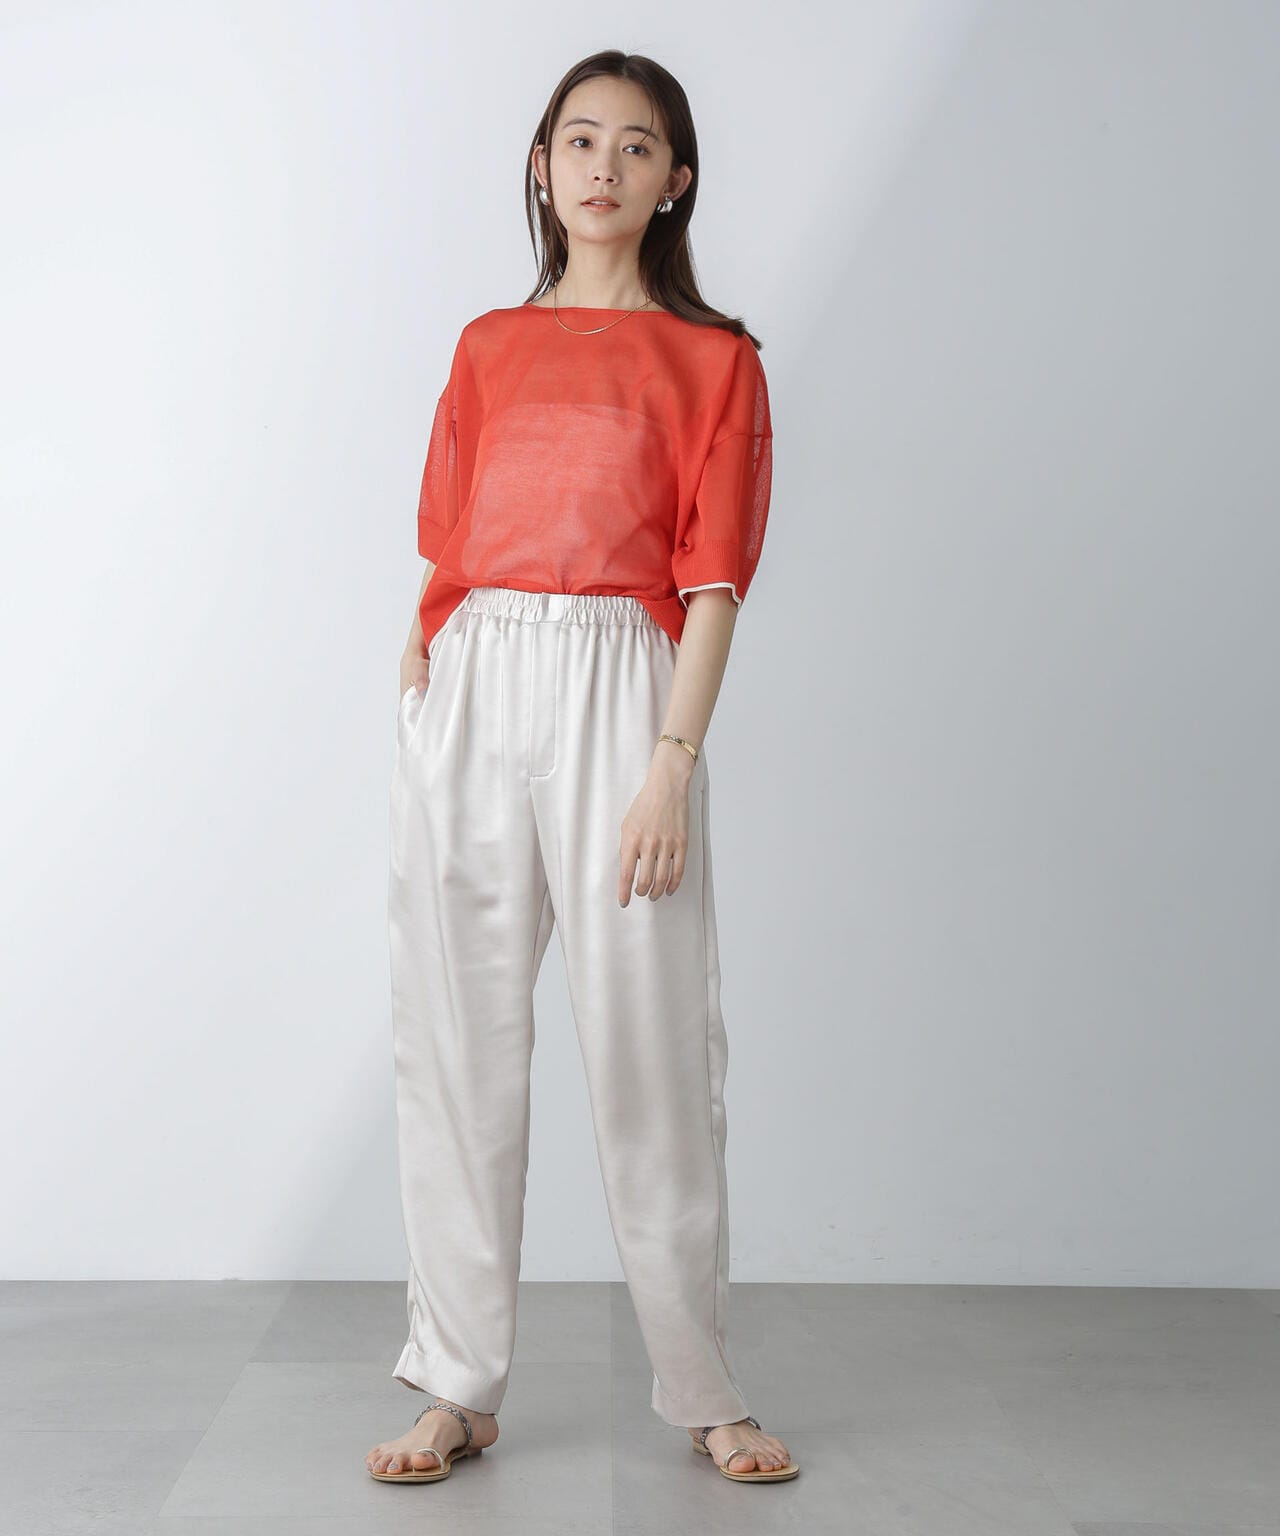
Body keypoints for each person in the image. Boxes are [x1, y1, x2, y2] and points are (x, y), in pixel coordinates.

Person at [365, 50, 798, 1487]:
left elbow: (714, 580)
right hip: (475, 679)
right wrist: (426, 665)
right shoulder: (488, 344)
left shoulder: (716, 361)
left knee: (654, 1049)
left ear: (677, 179)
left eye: (637, 144)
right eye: (578, 139)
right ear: (543, 168)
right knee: (455, 1042)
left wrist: (671, 761)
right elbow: (450, 540)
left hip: (626, 682)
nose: (603, 165)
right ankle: (456, 1383)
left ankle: (704, 1389)